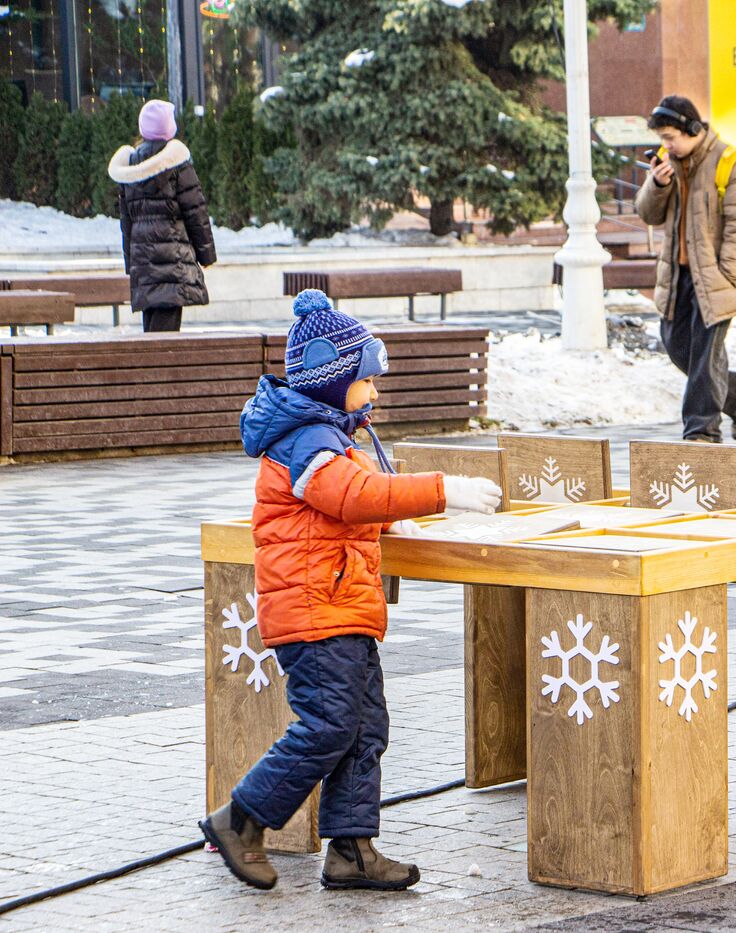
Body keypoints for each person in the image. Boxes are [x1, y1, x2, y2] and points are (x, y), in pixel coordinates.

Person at [200, 289, 503, 891]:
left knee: (365, 726)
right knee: (331, 724)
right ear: (331, 381)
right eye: (366, 382)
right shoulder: (304, 440)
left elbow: (346, 505)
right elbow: (349, 496)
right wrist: (443, 489)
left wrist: (393, 521)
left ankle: (352, 850)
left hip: (341, 606)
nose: (374, 394)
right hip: (315, 612)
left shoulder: (330, 437)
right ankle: (241, 819)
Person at [636, 95, 736, 443]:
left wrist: (729, 273)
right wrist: (657, 185)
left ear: (693, 129)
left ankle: (701, 434)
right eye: (662, 139)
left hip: (718, 278)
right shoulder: (669, 165)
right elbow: (648, 214)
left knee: (705, 357)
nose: (667, 145)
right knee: (678, 347)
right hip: (678, 278)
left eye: (671, 137)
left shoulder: (730, 163)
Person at [107, 99, 216, 333]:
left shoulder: (130, 168)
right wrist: (206, 254)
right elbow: (196, 211)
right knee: (167, 339)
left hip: (144, 264)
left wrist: (131, 263)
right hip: (173, 262)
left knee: (153, 334)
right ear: (170, 129)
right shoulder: (177, 164)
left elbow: (126, 223)